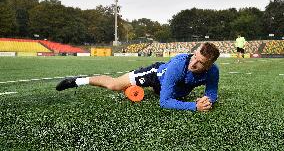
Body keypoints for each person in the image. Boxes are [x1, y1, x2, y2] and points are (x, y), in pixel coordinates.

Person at [56, 42, 220, 112]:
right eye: (194, 56)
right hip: (155, 76)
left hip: (173, 88)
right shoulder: (179, 65)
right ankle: (77, 81)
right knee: (115, 85)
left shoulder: (213, 71)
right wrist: (194, 106)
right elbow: (164, 103)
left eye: (200, 62)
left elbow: (212, 92)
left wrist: (207, 100)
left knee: (136, 92)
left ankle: (134, 89)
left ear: (209, 65)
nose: (193, 63)